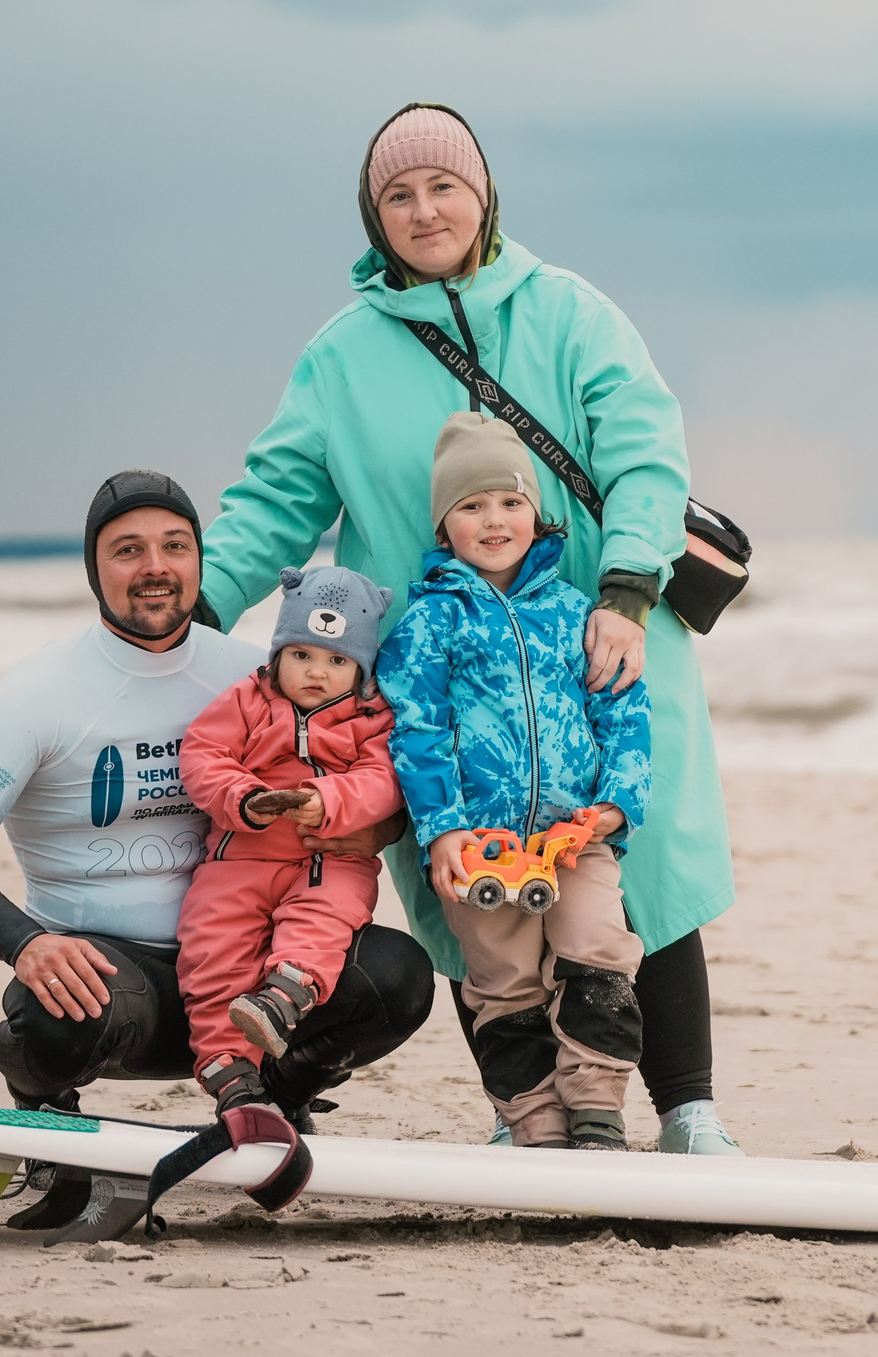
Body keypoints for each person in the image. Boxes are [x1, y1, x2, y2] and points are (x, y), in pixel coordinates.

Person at [196, 103, 740, 1154]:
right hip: (439, 670)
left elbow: (644, 450)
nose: (424, 210)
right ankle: (521, 1115)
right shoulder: (341, 357)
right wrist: (193, 607)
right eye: (398, 195)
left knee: (639, 873)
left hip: (603, 640)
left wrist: (628, 586)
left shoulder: (570, 313)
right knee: (469, 888)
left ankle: (688, 1113)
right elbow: (275, 499)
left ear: (482, 194)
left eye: (443, 185)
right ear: (375, 218)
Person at [0, 470, 435, 1231]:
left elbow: (373, 776)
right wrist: (28, 945)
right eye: (128, 549)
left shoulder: (261, 674)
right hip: (124, 994)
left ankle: (275, 1095)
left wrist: (372, 826)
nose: (155, 566)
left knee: (398, 976)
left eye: (175, 546)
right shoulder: (37, 692)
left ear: (198, 560)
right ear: (94, 567)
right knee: (57, 1007)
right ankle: (47, 1118)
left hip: (256, 980)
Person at [382, 414, 652, 1149]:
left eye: (510, 502)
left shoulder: (575, 614)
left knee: (600, 952)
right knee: (505, 983)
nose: (494, 519)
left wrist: (618, 805)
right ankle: (533, 1121)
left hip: (577, 837)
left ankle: (596, 1104)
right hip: (480, 848)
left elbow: (624, 712)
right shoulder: (430, 623)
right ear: (445, 527)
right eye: (471, 506)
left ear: (536, 512)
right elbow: (417, 733)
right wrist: (442, 830)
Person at [175, 564, 401, 1116]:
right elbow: (203, 755)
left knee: (324, 918)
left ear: (362, 666)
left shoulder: (372, 717)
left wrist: (330, 799)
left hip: (328, 857)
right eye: (301, 654)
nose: (317, 672)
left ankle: (284, 998)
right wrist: (244, 798)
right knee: (213, 950)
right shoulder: (246, 701)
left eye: (337, 661)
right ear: (278, 653)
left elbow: (385, 779)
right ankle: (229, 1071)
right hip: (239, 859)